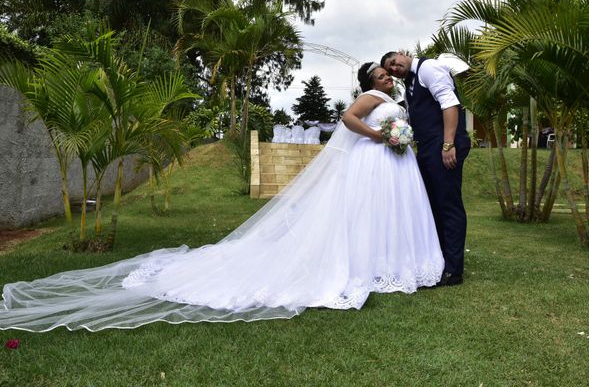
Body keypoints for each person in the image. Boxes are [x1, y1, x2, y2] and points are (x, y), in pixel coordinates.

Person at [0, 63, 443, 332]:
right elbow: (347, 120)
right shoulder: (367, 97)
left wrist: (397, 135)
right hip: (378, 158)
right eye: (380, 74)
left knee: (386, 215)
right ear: (369, 80)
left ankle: (390, 262)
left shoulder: (394, 99)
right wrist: (380, 135)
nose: (386, 78)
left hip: (394, 167)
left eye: (388, 75)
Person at [380, 51, 471, 287]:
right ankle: (440, 261)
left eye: (394, 62)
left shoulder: (429, 68)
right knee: (434, 205)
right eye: (391, 70)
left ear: (402, 54)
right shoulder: (410, 82)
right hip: (428, 148)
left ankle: (454, 270)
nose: (395, 69)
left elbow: (450, 104)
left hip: (444, 145)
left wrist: (448, 143)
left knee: (448, 205)